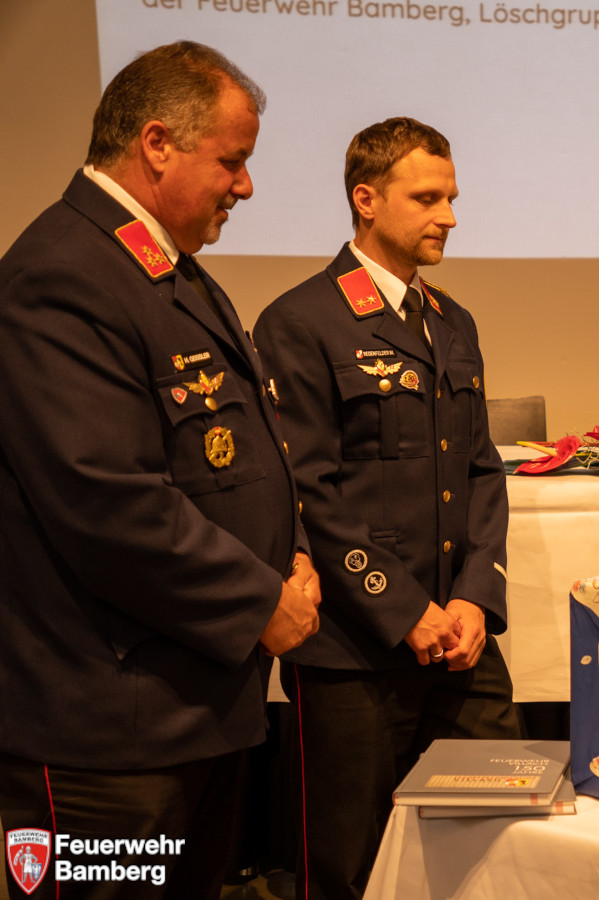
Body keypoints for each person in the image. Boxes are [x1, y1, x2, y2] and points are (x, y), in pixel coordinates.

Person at [0, 41, 321, 898]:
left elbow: (245, 453)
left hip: (191, 712)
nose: (245, 187)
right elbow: (108, 503)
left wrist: (291, 551)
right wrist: (260, 602)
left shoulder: (165, 271)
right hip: (109, 739)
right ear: (156, 143)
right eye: (233, 161)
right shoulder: (61, 275)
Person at [253, 117, 522, 900]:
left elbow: (480, 471)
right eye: (428, 199)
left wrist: (474, 598)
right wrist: (404, 610)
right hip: (355, 651)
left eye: (452, 198)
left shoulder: (452, 321)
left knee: (498, 840)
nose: (450, 216)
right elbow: (307, 491)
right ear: (365, 199)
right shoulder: (300, 321)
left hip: (457, 642)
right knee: (348, 864)